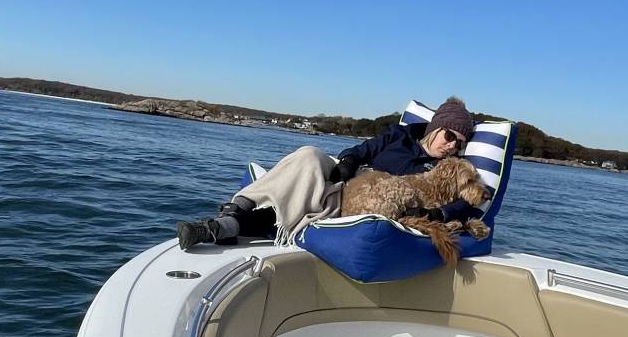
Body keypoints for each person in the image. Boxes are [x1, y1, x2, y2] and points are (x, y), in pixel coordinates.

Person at [175, 96, 481, 249]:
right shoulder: (399, 135)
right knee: (309, 155)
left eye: (460, 143)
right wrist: (346, 162)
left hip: (360, 197)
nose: (452, 146)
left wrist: (443, 215)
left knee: (307, 203)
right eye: (449, 136)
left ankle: (222, 226)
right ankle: (240, 203)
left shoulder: (445, 170)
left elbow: (468, 200)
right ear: (434, 128)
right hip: (349, 174)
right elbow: (362, 150)